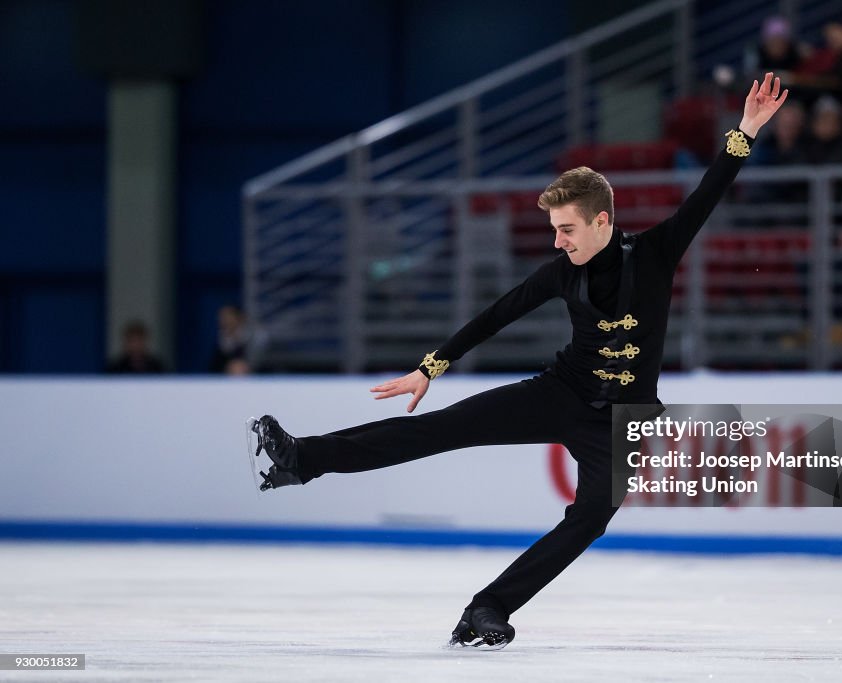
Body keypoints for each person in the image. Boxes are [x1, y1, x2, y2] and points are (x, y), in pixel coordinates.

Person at [248, 73, 788, 650]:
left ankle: (489, 607)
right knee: (439, 429)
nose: (558, 241)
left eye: (567, 229)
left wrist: (747, 129)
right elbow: (498, 314)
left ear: (602, 220)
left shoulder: (656, 253)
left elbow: (709, 191)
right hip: (558, 394)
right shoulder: (560, 271)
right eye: (555, 230)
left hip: (624, 421)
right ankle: (302, 458)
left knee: (589, 520)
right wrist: (431, 367)